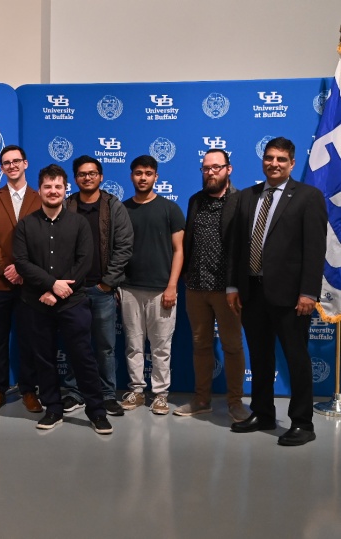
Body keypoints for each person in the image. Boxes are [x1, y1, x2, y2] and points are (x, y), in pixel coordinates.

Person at [228, 137, 327, 446]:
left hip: (291, 296)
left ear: (292, 163)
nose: (274, 163)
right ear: (263, 160)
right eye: (269, 158)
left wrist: (308, 293)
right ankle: (263, 413)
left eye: (281, 159)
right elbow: (236, 247)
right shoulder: (246, 196)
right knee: (259, 357)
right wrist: (233, 286)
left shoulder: (308, 197)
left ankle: (302, 422)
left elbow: (314, 250)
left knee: (297, 358)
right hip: (252, 291)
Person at [12, 165, 112, 435]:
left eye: (58, 186)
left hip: (73, 302)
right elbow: (21, 262)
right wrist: (49, 285)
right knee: (43, 359)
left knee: (84, 357)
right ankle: (53, 409)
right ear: (40, 189)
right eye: (47, 186)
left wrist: (57, 288)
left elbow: (85, 261)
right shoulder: (26, 225)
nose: (53, 191)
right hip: (37, 303)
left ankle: (96, 411)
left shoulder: (78, 223)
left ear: (66, 189)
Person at [174, 149, 249, 421]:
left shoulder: (241, 201)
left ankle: (235, 402)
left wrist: (238, 285)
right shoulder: (195, 200)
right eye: (206, 168)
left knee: (232, 345)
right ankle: (201, 400)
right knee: (200, 346)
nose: (210, 172)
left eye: (216, 167)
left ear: (228, 169)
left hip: (227, 290)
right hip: (195, 287)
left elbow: (246, 247)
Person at [61, 155, 133, 417]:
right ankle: (73, 392)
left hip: (102, 289)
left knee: (105, 346)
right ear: (75, 178)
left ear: (101, 177)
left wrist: (107, 283)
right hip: (73, 290)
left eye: (92, 173)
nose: (87, 177)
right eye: (81, 174)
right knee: (74, 343)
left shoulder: (114, 206)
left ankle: (106, 394)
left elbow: (124, 247)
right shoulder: (67, 206)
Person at [0, 145, 42, 412]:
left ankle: (29, 390)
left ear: (26, 164)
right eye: (6, 162)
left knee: (30, 338)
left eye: (17, 161)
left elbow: (44, 240)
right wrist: (7, 268)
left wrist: (22, 270)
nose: (12, 166)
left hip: (31, 283)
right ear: (2, 167)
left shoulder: (41, 198)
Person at [118, 155, 185, 415]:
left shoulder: (170, 209)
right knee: (133, 345)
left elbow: (179, 251)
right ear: (131, 176)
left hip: (161, 290)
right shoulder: (122, 209)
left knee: (161, 347)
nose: (143, 177)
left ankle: (160, 395)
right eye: (138, 173)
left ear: (156, 177)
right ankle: (136, 390)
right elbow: (116, 250)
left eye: (148, 173)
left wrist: (172, 286)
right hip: (129, 288)